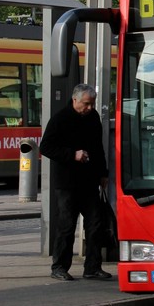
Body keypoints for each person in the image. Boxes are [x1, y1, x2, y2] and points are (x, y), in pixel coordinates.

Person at [39, 83, 111, 282]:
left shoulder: (93, 118)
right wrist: (72, 154)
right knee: (66, 225)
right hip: (67, 182)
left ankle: (93, 267)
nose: (89, 108)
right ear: (75, 100)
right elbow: (46, 147)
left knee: (95, 223)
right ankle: (59, 266)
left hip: (89, 181)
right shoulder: (60, 119)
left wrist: (103, 173)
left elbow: (98, 148)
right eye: (86, 104)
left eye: (92, 104)